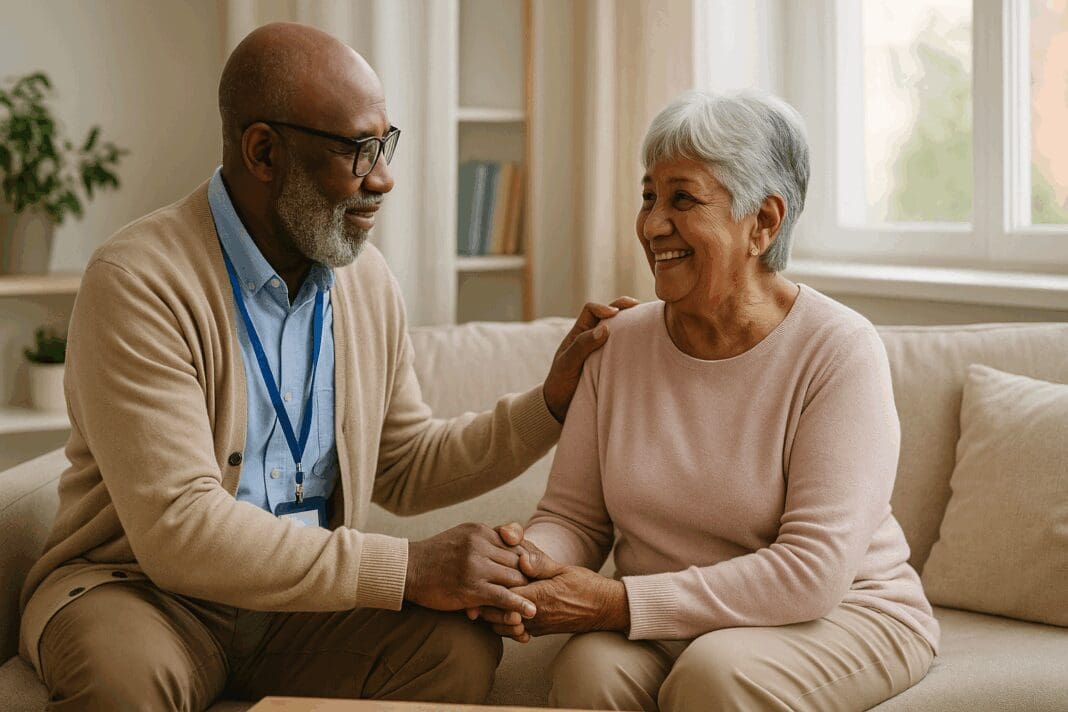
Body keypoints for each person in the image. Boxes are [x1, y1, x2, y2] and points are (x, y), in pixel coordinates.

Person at [19, 23, 634, 711]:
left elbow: (404, 463)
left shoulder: (365, 280)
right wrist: (406, 566)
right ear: (263, 152)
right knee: (123, 683)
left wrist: (549, 403)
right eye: (358, 152)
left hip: (295, 606)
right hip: (144, 592)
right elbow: (179, 532)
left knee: (450, 650)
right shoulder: (138, 281)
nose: (384, 177)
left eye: (385, 143)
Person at [475, 90, 940, 711]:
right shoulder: (614, 344)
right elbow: (575, 517)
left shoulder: (838, 350)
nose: (652, 225)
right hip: (669, 622)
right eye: (648, 196)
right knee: (590, 672)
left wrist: (618, 603)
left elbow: (812, 572)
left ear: (764, 222)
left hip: (840, 611)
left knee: (716, 674)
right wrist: (528, 570)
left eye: (682, 198)